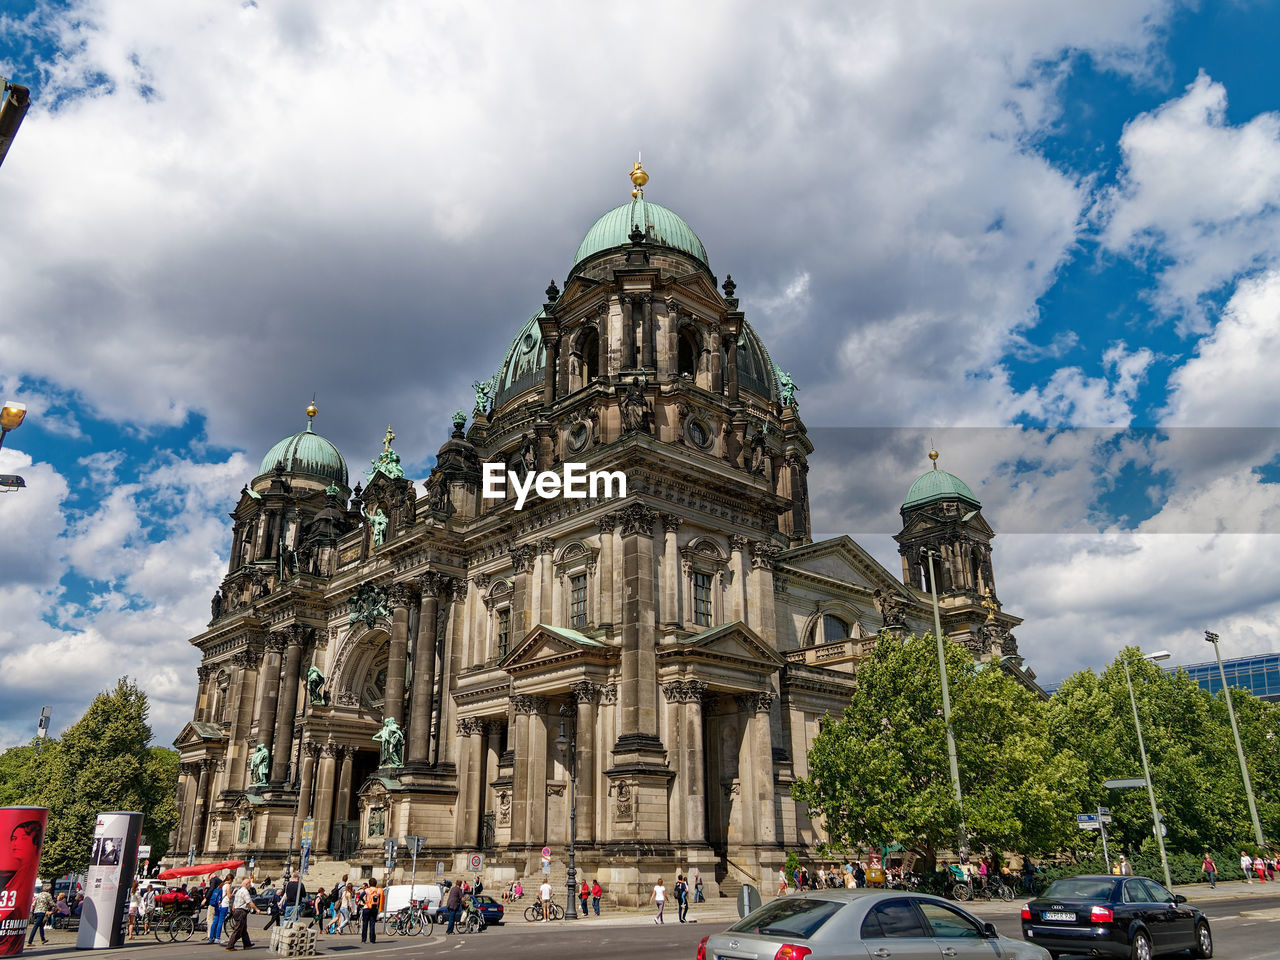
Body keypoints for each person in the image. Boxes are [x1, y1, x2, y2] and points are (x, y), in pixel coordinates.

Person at [225, 878, 260, 951]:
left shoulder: (239, 891)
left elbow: (235, 902)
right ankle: (230, 946)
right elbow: (249, 902)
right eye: (249, 884)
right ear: (247, 884)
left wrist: (233, 909)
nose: (250, 886)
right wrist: (256, 909)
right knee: (238, 929)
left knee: (243, 929)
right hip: (241, 911)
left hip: (237, 910)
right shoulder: (245, 892)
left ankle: (247, 944)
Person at [360, 878, 382, 943]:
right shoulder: (378, 890)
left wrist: (365, 902)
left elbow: (360, 896)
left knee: (365, 924)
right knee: (372, 924)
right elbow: (380, 898)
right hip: (374, 908)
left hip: (367, 907)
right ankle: (372, 939)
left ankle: (364, 939)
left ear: (369, 883)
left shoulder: (367, 890)